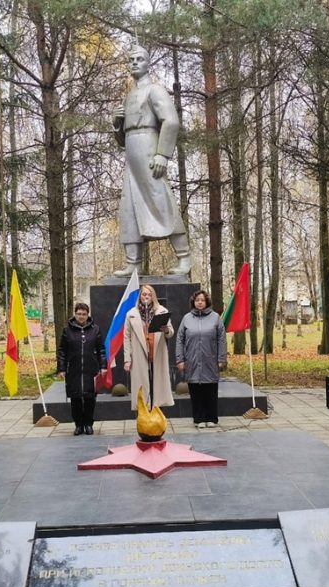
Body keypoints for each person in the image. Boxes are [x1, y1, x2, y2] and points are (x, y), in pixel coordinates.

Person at [112, 45, 191, 276]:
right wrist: (117, 123)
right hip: (132, 154)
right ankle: (132, 263)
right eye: (131, 60)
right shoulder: (128, 97)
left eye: (139, 59)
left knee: (161, 200)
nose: (134, 63)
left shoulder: (155, 90)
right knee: (129, 207)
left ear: (148, 63)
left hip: (149, 147)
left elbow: (171, 121)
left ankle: (184, 257)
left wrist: (162, 154)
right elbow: (122, 141)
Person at [175, 290, 227, 428]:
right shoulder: (186, 318)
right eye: (197, 300)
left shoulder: (216, 317)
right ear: (193, 302)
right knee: (195, 391)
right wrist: (180, 360)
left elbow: (222, 339)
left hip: (210, 360)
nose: (199, 302)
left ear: (207, 302)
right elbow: (180, 339)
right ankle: (198, 419)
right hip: (192, 360)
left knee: (210, 390)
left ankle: (211, 418)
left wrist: (221, 358)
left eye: (202, 300)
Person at [57, 303, 107, 435]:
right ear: (75, 314)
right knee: (76, 398)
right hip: (74, 370)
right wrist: (61, 368)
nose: (81, 316)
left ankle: (88, 424)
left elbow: (101, 350)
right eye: (79, 314)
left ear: (88, 315)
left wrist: (103, 366)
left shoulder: (95, 330)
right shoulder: (67, 330)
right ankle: (79, 425)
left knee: (90, 398)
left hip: (91, 370)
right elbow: (62, 351)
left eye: (84, 314)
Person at [123, 284, 174, 410]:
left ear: (153, 297)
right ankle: (143, 419)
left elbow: (171, 332)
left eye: (149, 294)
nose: (146, 297)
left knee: (157, 387)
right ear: (140, 296)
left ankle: (157, 418)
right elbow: (126, 337)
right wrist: (127, 359)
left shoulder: (162, 311)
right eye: (144, 294)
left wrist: (166, 330)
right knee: (141, 387)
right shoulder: (131, 314)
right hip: (140, 354)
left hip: (156, 353)